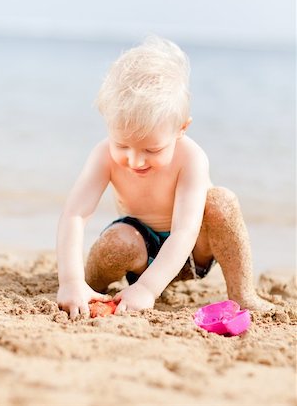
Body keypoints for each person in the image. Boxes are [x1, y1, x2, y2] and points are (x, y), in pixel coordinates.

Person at [56, 36, 272, 319]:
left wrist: (147, 289)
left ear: (181, 128)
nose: (134, 160)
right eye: (122, 145)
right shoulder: (103, 155)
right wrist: (70, 281)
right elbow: (74, 214)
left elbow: (185, 231)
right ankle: (89, 289)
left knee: (222, 201)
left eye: (152, 149)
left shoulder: (191, 158)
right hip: (140, 249)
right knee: (113, 245)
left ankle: (243, 295)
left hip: (193, 250)